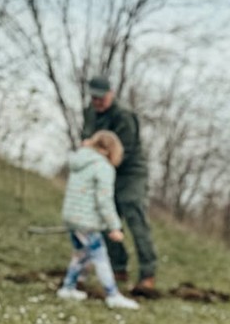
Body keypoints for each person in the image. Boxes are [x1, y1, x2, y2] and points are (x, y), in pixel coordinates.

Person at [82, 75, 158, 298]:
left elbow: (121, 151)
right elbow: (88, 138)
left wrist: (95, 153)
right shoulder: (90, 113)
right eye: (94, 97)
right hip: (104, 169)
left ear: (111, 94)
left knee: (132, 209)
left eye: (101, 97)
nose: (97, 102)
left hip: (129, 171)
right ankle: (118, 267)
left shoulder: (124, 116)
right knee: (107, 216)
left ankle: (147, 273)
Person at [57, 131, 140, 310]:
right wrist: (114, 227)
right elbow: (104, 201)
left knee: (81, 254)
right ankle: (112, 294)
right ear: (111, 151)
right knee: (100, 255)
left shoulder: (81, 159)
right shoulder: (103, 167)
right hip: (86, 221)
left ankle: (68, 287)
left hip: (72, 217)